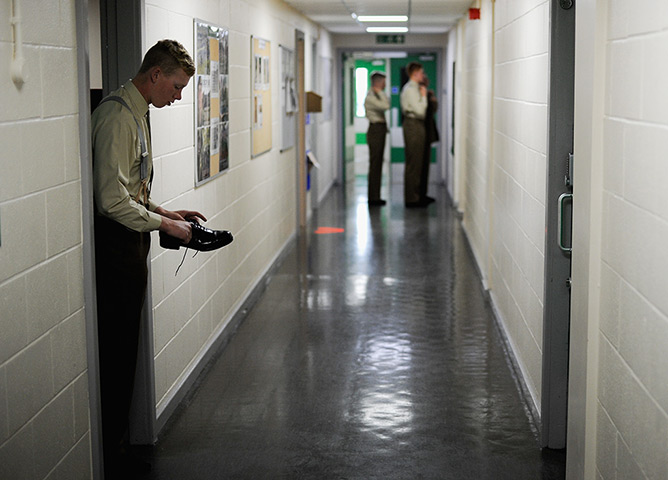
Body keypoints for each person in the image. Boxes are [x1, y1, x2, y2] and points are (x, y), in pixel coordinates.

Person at [91, 39, 215, 477]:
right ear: (155, 75)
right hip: (114, 247)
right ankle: (111, 454)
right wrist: (164, 226)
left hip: (133, 240)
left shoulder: (140, 113)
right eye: (177, 87)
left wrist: (163, 211)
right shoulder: (116, 117)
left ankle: (119, 447)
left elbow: (130, 189)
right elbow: (109, 201)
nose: (179, 96)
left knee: (127, 351)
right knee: (116, 353)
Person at [400, 62, 428, 207]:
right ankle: (412, 198)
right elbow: (420, 111)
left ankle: (415, 196)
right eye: (421, 73)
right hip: (413, 125)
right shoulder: (410, 90)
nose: (423, 76)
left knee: (417, 162)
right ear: (415, 73)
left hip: (416, 125)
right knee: (413, 163)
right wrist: (424, 97)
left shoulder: (414, 88)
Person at [364, 71, 390, 206]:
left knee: (378, 164)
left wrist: (381, 94)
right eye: (383, 82)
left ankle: (376, 196)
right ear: (378, 83)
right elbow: (386, 105)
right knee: (375, 165)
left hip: (379, 129)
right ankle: (373, 198)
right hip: (375, 130)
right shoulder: (371, 97)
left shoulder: (376, 96)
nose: (385, 85)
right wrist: (380, 93)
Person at [419, 74, 439, 204]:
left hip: (428, 131)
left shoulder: (428, 95)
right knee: (418, 166)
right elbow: (421, 110)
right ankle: (418, 194)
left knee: (425, 165)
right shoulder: (418, 96)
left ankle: (423, 193)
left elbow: (434, 110)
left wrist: (432, 99)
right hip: (421, 130)